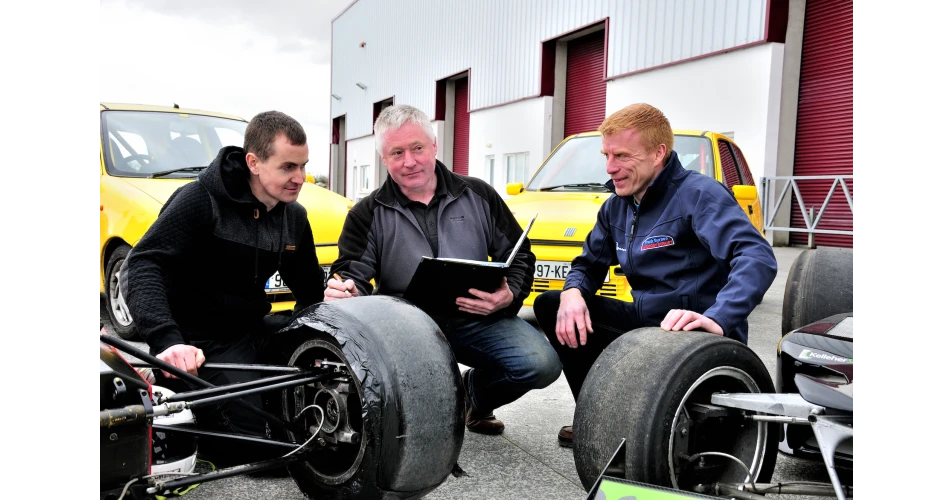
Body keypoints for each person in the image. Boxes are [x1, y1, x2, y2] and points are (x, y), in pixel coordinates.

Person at [532, 103, 778, 448]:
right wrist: (573, 292)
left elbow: (756, 256)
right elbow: (587, 265)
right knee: (552, 304)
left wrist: (718, 318)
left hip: (694, 332)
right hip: (647, 323)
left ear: (658, 153)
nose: (610, 167)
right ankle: (599, 415)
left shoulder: (698, 195)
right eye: (606, 155)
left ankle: (631, 422)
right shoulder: (617, 206)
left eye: (621, 156)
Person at [325, 104, 561, 435]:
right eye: (397, 152)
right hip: (407, 329)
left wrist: (509, 296)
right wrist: (346, 290)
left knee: (541, 363)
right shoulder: (367, 213)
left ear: (434, 145)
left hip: (477, 318)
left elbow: (518, 253)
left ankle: (472, 395)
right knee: (416, 429)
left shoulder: (478, 194)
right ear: (384, 159)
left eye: (417, 148)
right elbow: (353, 273)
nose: (409, 161)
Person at [119, 110, 326, 465]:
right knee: (263, 451)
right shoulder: (200, 200)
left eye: (304, 165)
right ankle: (164, 377)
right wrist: (168, 342)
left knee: (309, 424)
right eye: (288, 167)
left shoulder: (294, 217)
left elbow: (309, 292)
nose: (301, 178)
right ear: (254, 163)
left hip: (251, 329)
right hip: (198, 341)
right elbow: (142, 263)